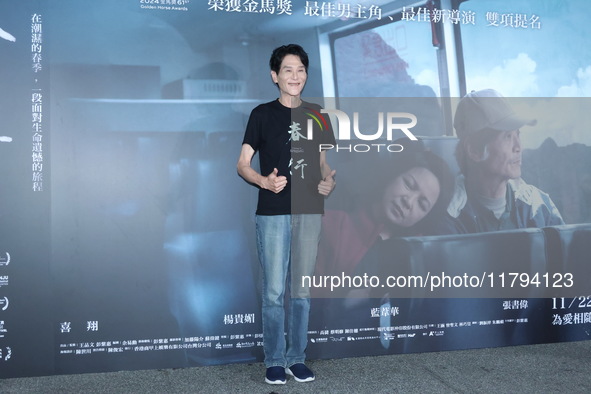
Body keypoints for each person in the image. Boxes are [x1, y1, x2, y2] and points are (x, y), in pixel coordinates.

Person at [236, 44, 336, 385]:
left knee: (302, 290)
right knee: (275, 292)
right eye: (289, 70)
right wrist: (264, 180)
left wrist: (327, 182)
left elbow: (323, 164)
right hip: (274, 212)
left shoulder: (318, 114)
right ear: (275, 76)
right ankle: (275, 360)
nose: (296, 76)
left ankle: (297, 358)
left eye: (301, 70)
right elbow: (242, 165)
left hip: (310, 210)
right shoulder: (261, 115)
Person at [315, 140, 453, 281]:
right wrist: (343, 297)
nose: (408, 201)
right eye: (408, 184)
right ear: (393, 176)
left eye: (422, 204)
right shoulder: (332, 225)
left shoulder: (422, 252)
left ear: (426, 217)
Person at [432, 89, 564, 234]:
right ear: (474, 150)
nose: (518, 147)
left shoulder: (538, 205)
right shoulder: (446, 216)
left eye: (518, 135)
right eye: (507, 136)